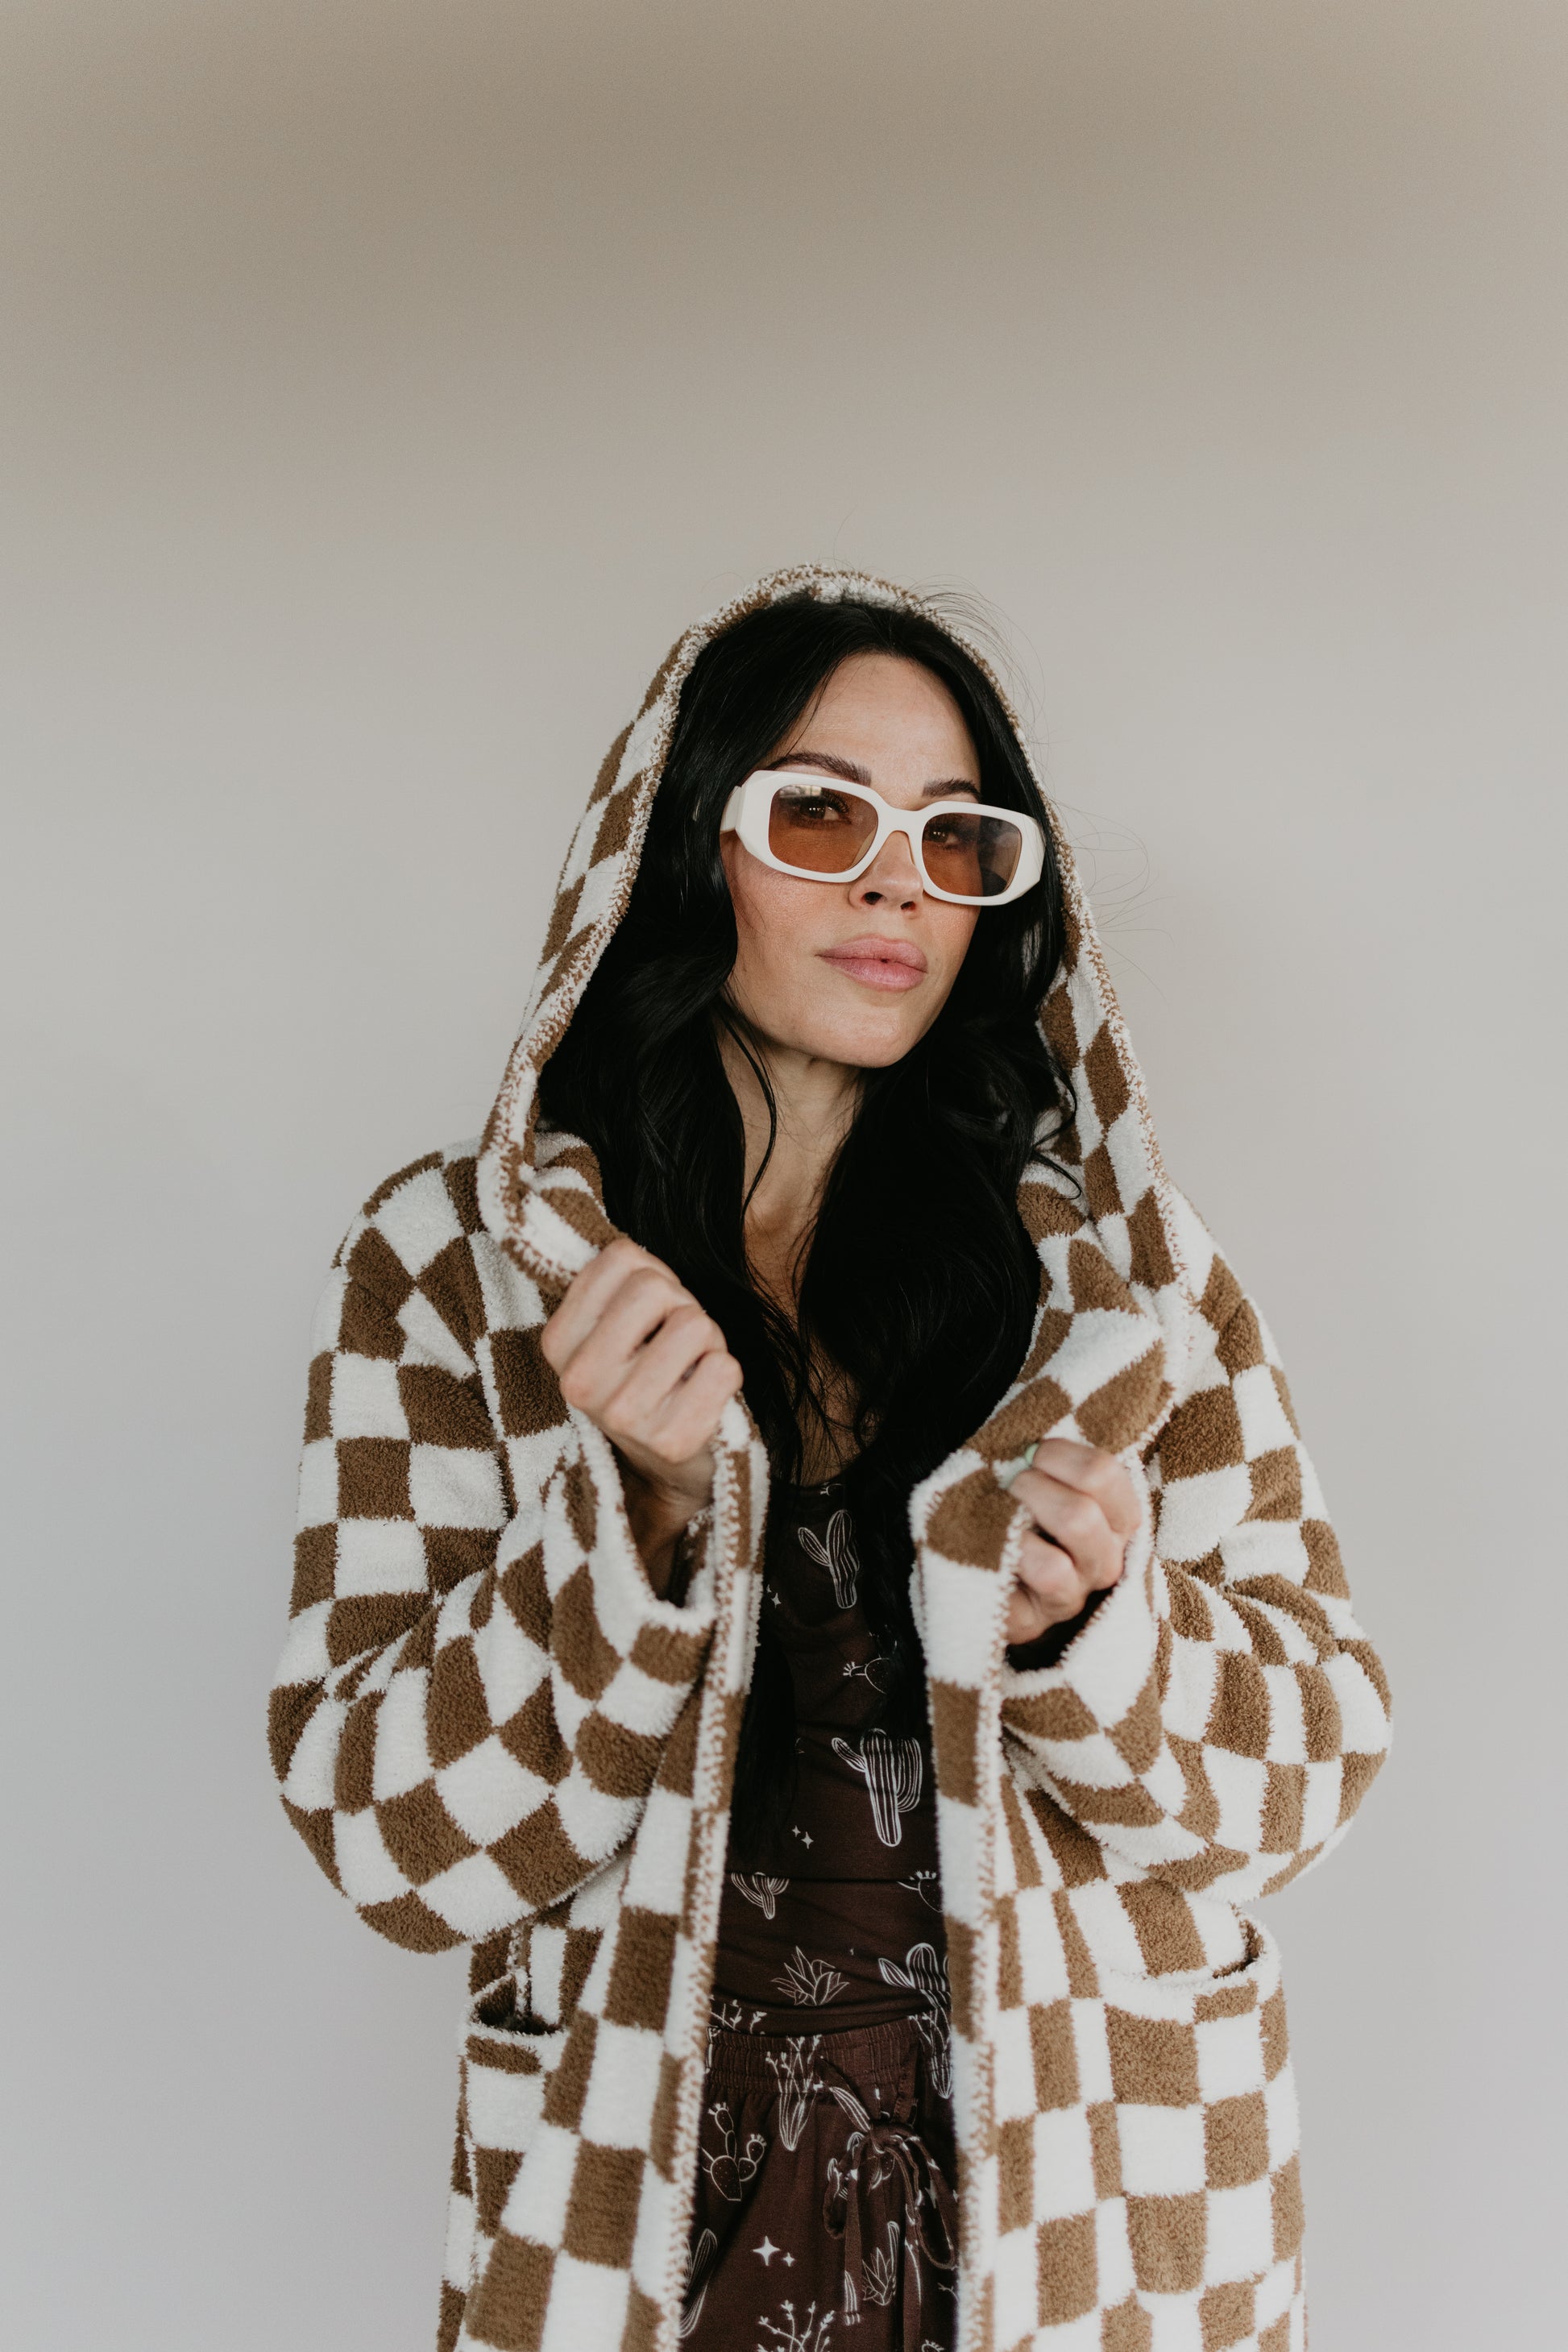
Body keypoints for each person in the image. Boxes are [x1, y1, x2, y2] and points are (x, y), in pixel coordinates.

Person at [269, 567, 1390, 2352]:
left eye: (958, 836)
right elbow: (393, 1842)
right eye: (819, 809)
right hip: (655, 2195)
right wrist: (623, 1520)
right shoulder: (457, 1271)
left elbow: (1311, 1774)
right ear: (676, 837)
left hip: (1091, 2201)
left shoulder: (1121, 1291)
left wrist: (1101, 1630)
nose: (895, 881)